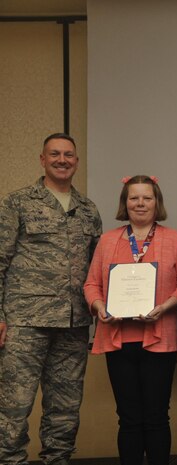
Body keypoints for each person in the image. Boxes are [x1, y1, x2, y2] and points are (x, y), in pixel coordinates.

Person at [0, 133, 102, 465]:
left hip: (73, 324)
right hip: (24, 322)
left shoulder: (88, 210)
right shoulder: (17, 202)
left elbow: (97, 270)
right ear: (42, 159)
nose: (62, 160)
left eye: (68, 155)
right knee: (13, 407)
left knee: (65, 409)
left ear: (76, 161)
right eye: (54, 154)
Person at [83, 175, 177, 465]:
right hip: (118, 339)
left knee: (156, 417)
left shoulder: (174, 239)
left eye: (147, 198)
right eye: (134, 198)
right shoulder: (107, 240)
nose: (140, 203)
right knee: (128, 419)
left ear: (157, 202)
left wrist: (164, 306)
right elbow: (91, 285)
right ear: (125, 203)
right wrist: (100, 306)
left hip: (160, 337)